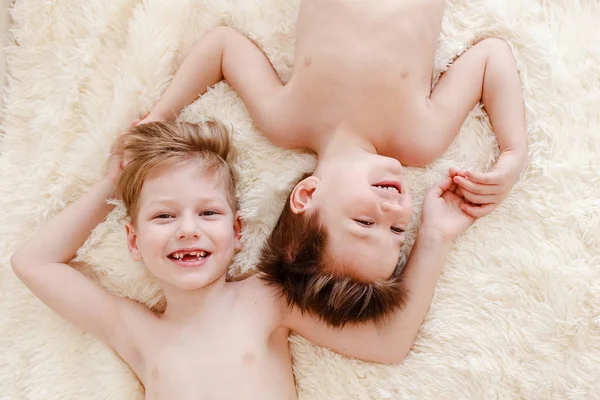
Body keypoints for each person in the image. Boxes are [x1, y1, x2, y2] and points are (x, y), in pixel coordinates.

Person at [12, 120, 476, 399]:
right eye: (163, 215)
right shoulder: (137, 331)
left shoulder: (267, 296)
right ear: (132, 241)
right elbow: (33, 263)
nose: (187, 228)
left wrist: (433, 236)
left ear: (237, 233)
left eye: (208, 212)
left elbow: (386, 343)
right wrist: (112, 187)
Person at [136, 0, 527, 325]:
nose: (391, 209)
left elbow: (223, 47)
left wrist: (160, 115)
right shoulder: (419, 139)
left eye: (365, 222)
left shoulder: (285, 121)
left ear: (307, 195)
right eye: (397, 229)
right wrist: (513, 154)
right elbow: (492, 57)